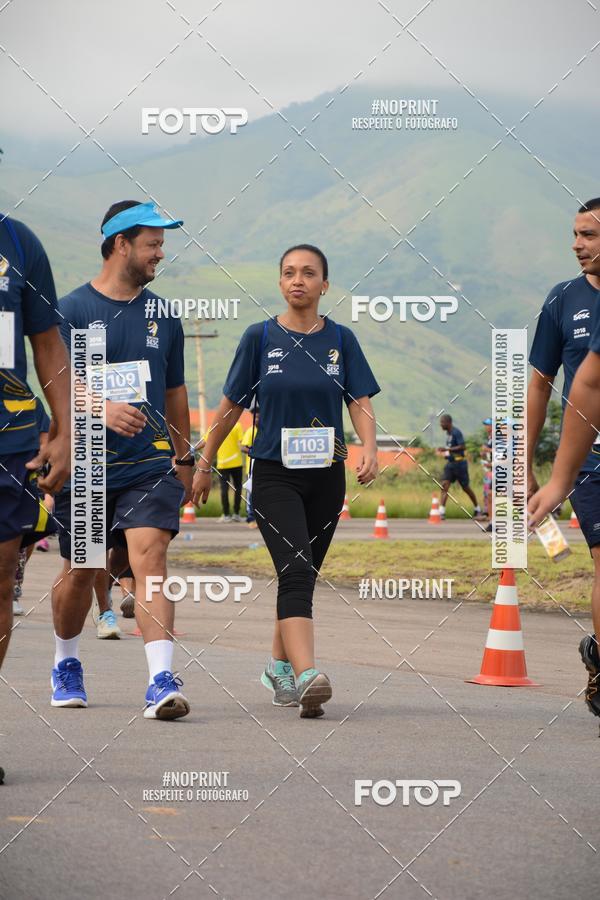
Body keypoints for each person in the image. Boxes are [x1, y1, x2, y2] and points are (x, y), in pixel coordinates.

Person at [192, 244, 379, 717]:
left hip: (327, 476)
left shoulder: (341, 339)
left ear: (324, 286)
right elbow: (230, 405)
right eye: (289, 273)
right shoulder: (259, 337)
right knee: (295, 570)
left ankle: (278, 666)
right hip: (274, 474)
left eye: (308, 273)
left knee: (301, 574)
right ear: (280, 283)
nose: (298, 280)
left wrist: (370, 447)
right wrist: (205, 460)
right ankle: (307, 674)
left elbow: (358, 399)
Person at [51, 199, 193, 720]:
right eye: (153, 244)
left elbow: (175, 391)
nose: (161, 254)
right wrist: (102, 408)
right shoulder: (71, 311)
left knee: (149, 557)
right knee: (83, 570)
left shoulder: (163, 315)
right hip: (86, 461)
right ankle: (66, 660)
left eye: (162, 244)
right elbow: (58, 384)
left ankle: (160, 680)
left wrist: (186, 454)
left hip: (149, 463)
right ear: (121, 245)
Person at [0, 214, 71, 784]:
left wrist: (66, 430)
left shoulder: (21, 241)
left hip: (10, 441)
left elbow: (46, 344)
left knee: (1, 579)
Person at [528, 197, 600, 720]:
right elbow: (541, 384)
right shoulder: (562, 300)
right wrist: (527, 462)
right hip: (588, 460)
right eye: (575, 234)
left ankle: (595, 652)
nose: (577, 245)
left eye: (589, 235)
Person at [13, 397, 53, 616]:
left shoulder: (32, 403)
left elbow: (46, 445)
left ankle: (12, 590)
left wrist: (47, 492)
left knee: (21, 540)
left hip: (26, 480)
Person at [437, 414, 481, 519]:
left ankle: (477, 509)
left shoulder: (456, 432)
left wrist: (447, 450)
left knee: (465, 488)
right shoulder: (448, 433)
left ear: (449, 423)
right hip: (450, 464)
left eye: (442, 423)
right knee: (444, 485)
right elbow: (450, 448)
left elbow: (462, 446)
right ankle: (441, 511)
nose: (441, 425)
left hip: (460, 464)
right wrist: (447, 454)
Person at [214, 421, 244, 522]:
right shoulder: (237, 425)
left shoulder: (217, 424)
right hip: (236, 462)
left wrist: (193, 449)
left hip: (222, 464)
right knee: (238, 488)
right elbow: (241, 444)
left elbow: (207, 440)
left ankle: (226, 515)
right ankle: (236, 514)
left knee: (224, 489)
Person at [241, 407, 259, 528]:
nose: (256, 419)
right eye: (254, 417)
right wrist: (254, 451)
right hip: (252, 468)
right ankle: (251, 517)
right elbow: (243, 447)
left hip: (265, 468)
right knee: (251, 492)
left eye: (258, 416)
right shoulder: (250, 431)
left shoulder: (267, 430)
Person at [481, 417, 493, 532]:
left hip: (499, 470)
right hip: (491, 469)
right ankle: (491, 521)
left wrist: (488, 450)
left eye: (488, 425)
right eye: (486, 425)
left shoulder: (498, 438)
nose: (486, 427)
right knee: (489, 494)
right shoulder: (489, 438)